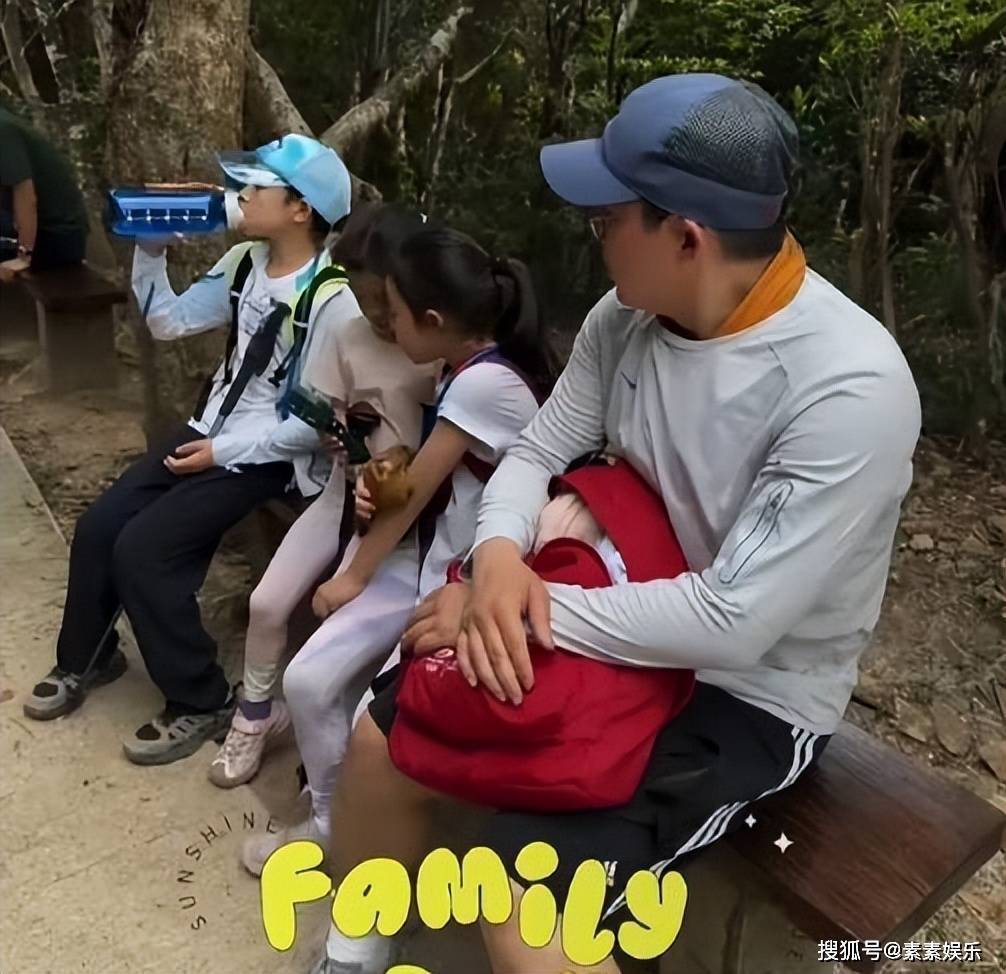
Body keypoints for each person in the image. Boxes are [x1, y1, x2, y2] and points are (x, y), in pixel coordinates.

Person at [311, 73, 921, 974]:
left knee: (525, 903)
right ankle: (354, 951)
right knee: (382, 735)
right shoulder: (627, 319)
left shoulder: (847, 386)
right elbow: (534, 451)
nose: (593, 238)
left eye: (606, 220)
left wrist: (511, 609)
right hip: (605, 604)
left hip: (744, 689)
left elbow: (735, 620)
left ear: (686, 237)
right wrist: (497, 557)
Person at [22, 134, 357, 768]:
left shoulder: (330, 301)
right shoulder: (244, 262)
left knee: (145, 550)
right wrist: (149, 253)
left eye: (258, 186)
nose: (242, 195)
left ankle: (201, 698)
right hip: (207, 429)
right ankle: (88, 657)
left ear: (300, 209)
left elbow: (311, 424)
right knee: (100, 526)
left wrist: (222, 452)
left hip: (265, 457)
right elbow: (167, 321)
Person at [239, 224, 556, 888]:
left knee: (367, 723)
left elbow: (413, 497)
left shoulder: (484, 383)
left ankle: (352, 846)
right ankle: (330, 822)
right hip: (429, 566)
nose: (384, 323)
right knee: (308, 682)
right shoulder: (464, 368)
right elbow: (424, 469)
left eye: (394, 310)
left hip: (460, 587)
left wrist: (351, 577)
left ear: (433, 320)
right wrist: (382, 473)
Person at [206, 203, 440, 790]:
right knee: (267, 603)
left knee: (343, 640)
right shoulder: (348, 332)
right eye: (362, 299)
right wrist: (341, 442)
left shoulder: (434, 346)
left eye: (383, 301)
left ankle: (330, 766)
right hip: (342, 499)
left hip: (408, 521)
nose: (375, 314)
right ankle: (255, 716)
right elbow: (327, 416)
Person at [0, 105, 89, 278]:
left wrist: (24, 257)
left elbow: (26, 196)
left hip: (57, 233)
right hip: (28, 224)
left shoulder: (3, 129)